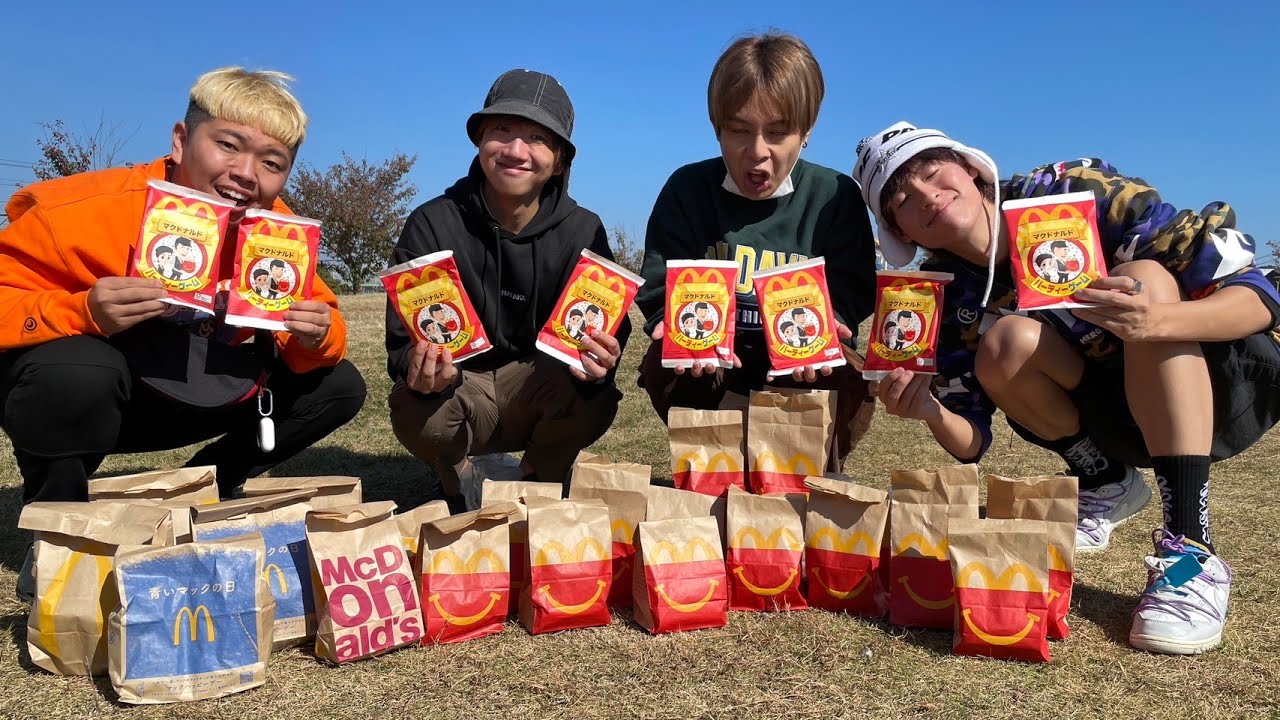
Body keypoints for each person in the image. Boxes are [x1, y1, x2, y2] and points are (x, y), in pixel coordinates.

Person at [854, 120, 1280, 654]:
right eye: (900, 199)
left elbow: (1259, 295)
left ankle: (1191, 549)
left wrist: (1158, 320)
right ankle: (1105, 480)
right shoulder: (945, 292)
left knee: (1145, 274)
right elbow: (973, 440)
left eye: (929, 170)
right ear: (902, 233)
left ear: (970, 168)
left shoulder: (1070, 190)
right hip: (1121, 411)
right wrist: (930, 410)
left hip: (1228, 381)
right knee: (1005, 341)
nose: (924, 194)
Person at [0, 67, 366, 512]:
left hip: (202, 392)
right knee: (77, 370)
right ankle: (57, 520)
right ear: (180, 141)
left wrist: (317, 334)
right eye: (227, 145)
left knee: (340, 385)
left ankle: (201, 488)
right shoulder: (80, 210)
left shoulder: (279, 233)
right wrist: (82, 311)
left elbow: (325, 325)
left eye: (272, 162)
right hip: (101, 396)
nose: (246, 173)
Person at [386, 69, 625, 512]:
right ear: (479, 140)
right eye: (502, 130)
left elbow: (611, 327)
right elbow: (401, 343)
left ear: (560, 158)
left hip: (537, 385)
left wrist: (603, 359)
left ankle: (540, 472)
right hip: (459, 388)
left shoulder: (582, 230)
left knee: (593, 393)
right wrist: (419, 370)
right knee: (413, 407)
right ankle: (457, 474)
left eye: (537, 138)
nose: (516, 151)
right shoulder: (431, 223)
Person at [635, 31, 878, 468]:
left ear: (806, 132)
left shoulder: (836, 195)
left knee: (848, 369)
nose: (757, 153)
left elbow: (853, 286)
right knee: (662, 359)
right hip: (714, 367)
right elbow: (658, 280)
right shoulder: (687, 189)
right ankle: (714, 468)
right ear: (717, 128)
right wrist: (669, 324)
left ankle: (818, 470)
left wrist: (830, 325)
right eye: (739, 131)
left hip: (801, 363)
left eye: (778, 132)